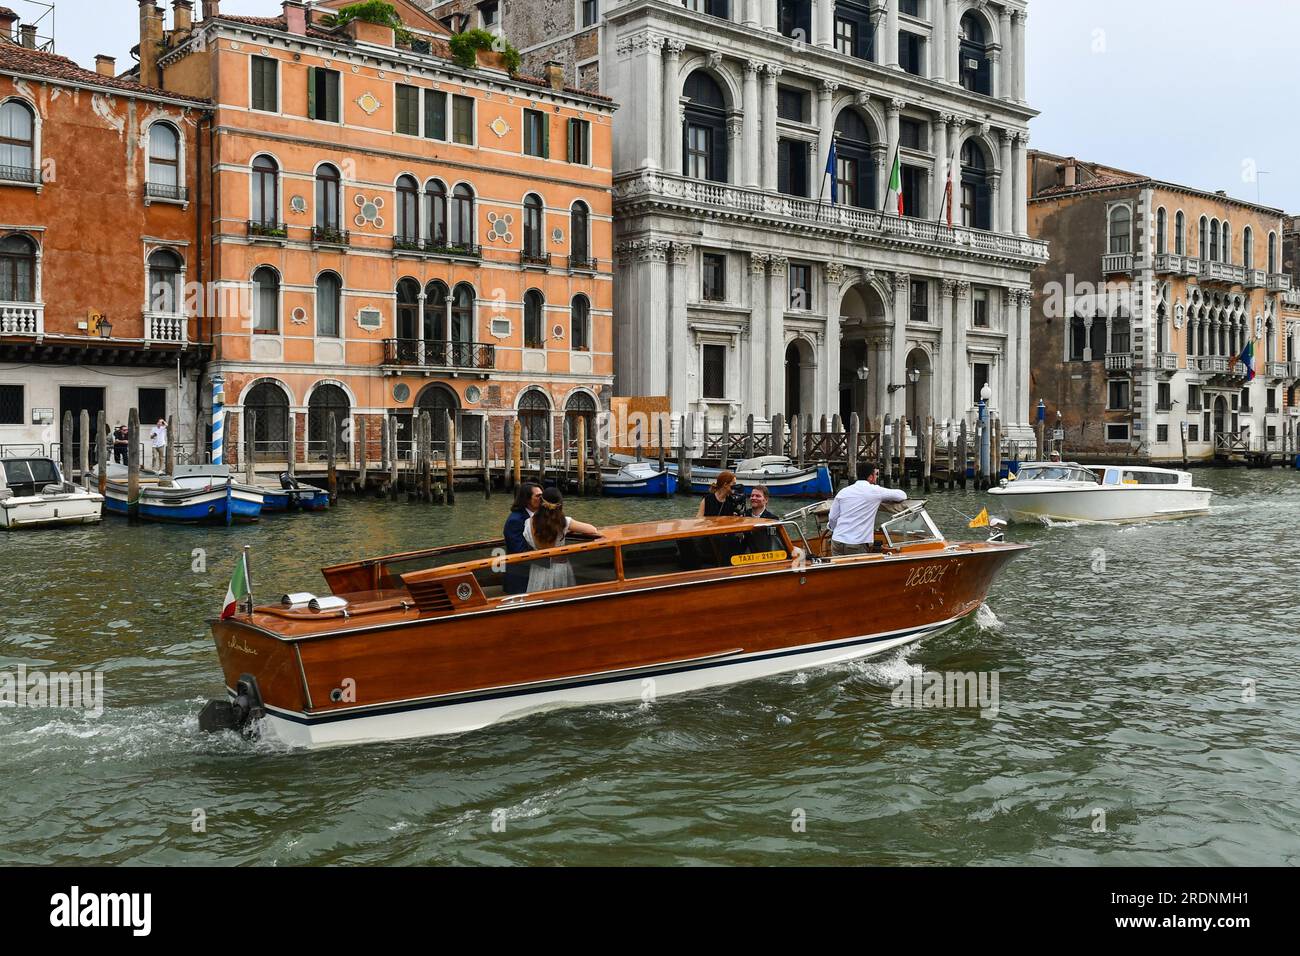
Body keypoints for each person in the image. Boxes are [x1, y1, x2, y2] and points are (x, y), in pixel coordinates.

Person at [522, 487, 598, 592]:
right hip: (559, 567)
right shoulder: (563, 523)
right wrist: (567, 530)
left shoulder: (528, 523)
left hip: (538, 568)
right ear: (560, 504)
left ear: (541, 502)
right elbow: (592, 529)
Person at [827, 461, 907, 556]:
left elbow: (832, 518)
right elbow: (902, 495)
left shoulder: (843, 492)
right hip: (856, 542)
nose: (877, 476)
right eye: (876, 474)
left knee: (838, 570)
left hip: (837, 540)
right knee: (858, 571)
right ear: (870, 476)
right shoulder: (875, 491)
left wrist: (833, 529)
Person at [502, 481, 542, 595]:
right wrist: (548, 559)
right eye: (538, 496)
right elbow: (519, 552)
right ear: (526, 499)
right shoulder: (515, 520)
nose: (542, 499)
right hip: (520, 577)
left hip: (534, 573)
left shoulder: (540, 516)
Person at [743, 485, 781, 554]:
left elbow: (774, 542)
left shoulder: (772, 519)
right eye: (752, 495)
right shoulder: (743, 516)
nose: (754, 498)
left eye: (758, 496)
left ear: (766, 500)